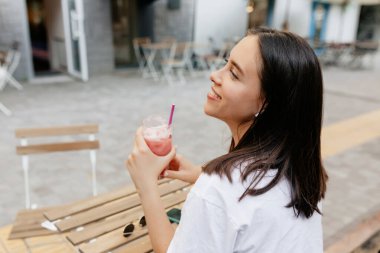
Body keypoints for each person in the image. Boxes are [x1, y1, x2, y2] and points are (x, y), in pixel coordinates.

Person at [126, 27, 328, 253]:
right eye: (226, 62)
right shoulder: (302, 172)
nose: (215, 75)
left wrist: (145, 184)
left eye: (234, 73)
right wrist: (201, 175)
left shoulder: (219, 190)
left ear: (266, 103)